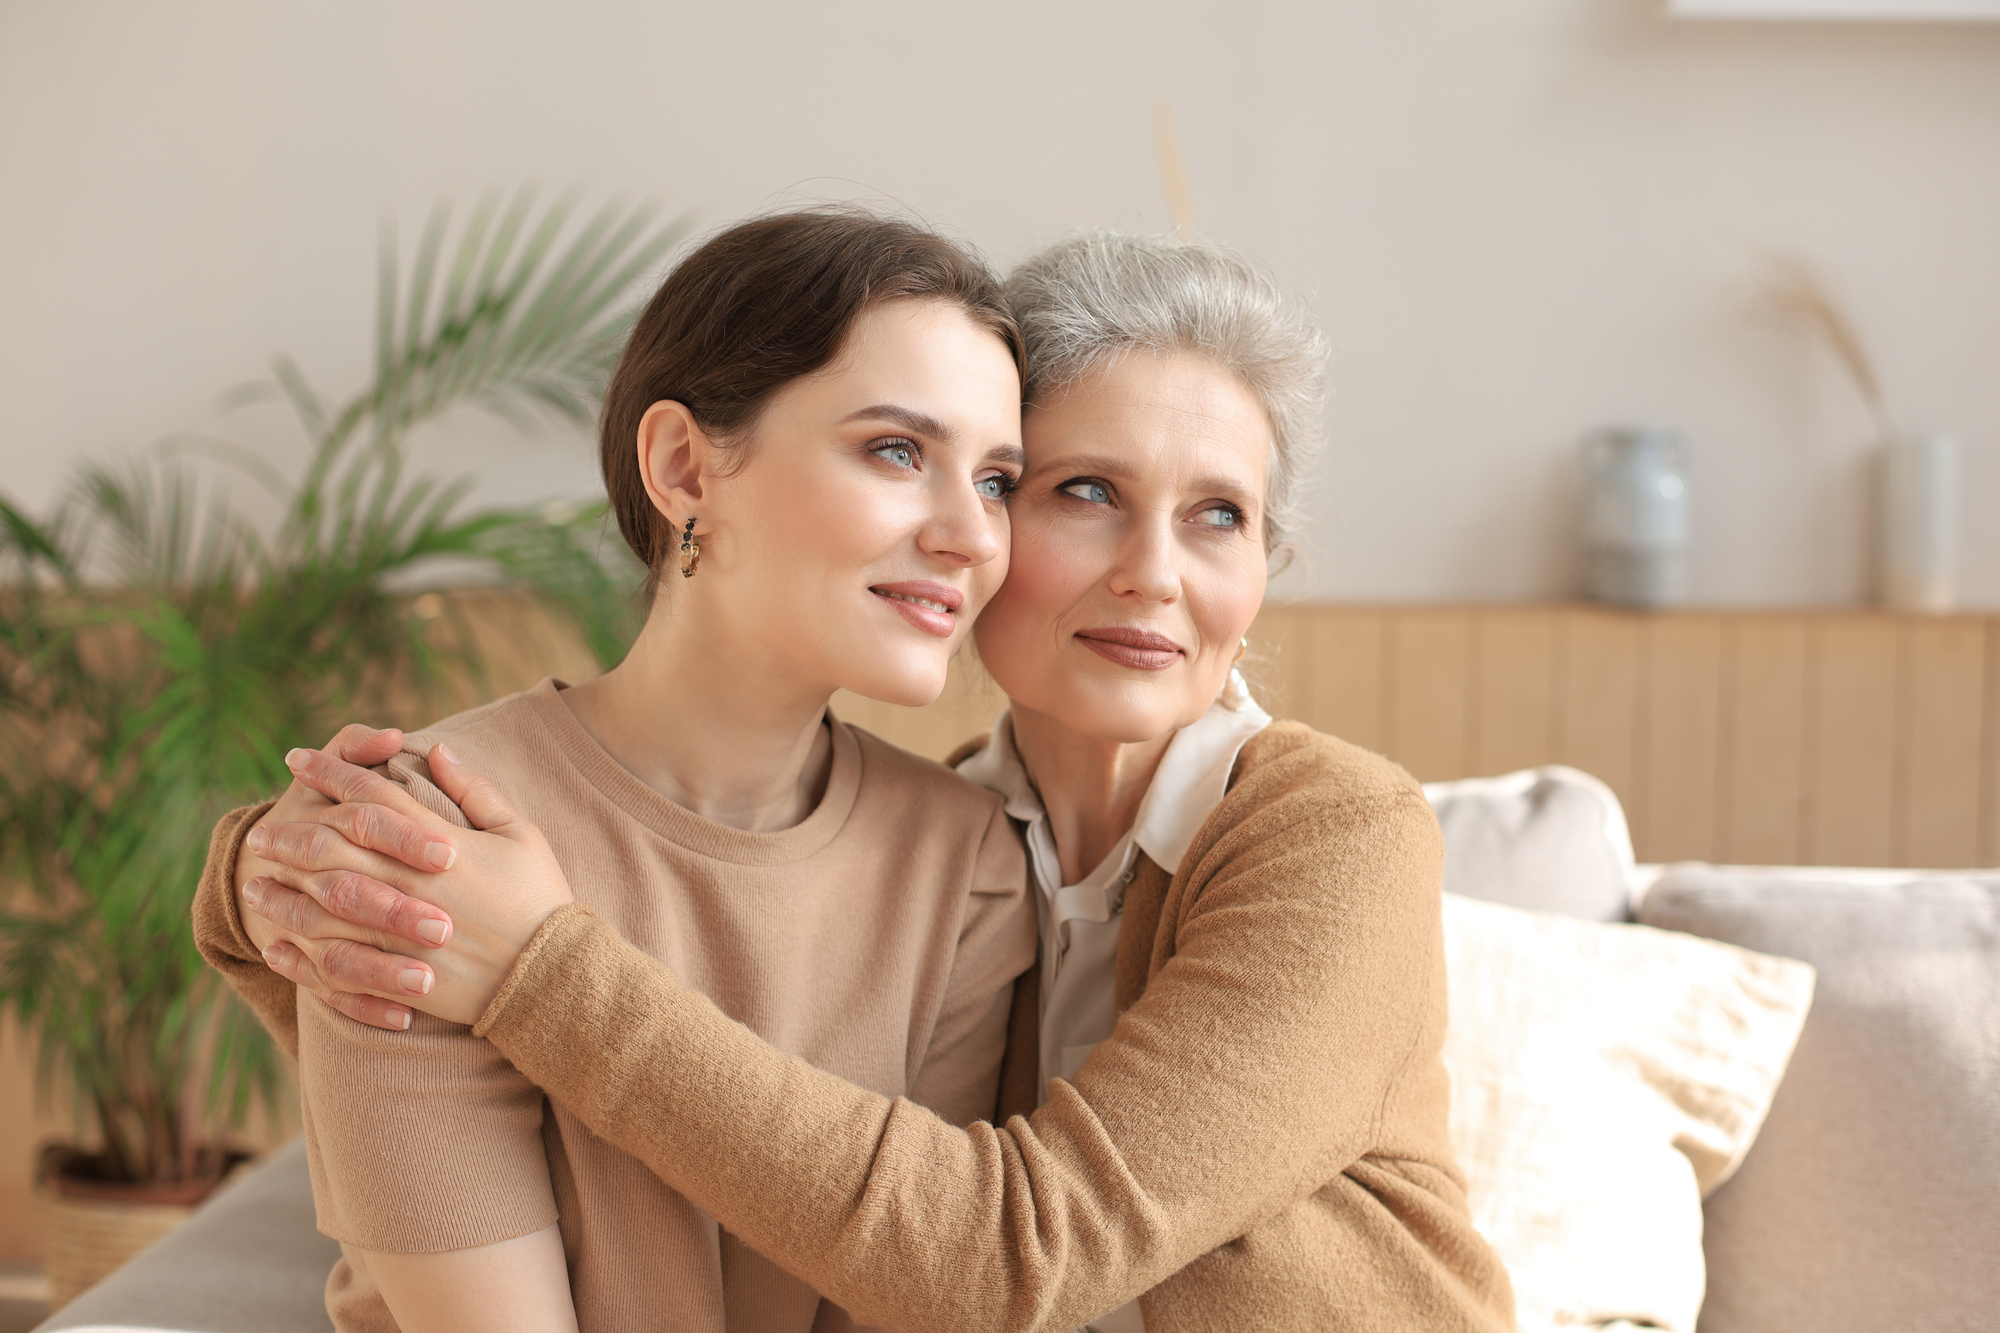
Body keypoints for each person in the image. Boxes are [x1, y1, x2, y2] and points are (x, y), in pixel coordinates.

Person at [203, 234, 1516, 1332]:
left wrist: (542, 967)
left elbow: (998, 1253)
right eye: (1077, 490)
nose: (1157, 573)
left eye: (1219, 515)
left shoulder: (1322, 833)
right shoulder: (972, 841)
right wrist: (268, 874)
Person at [193, 208, 1044, 1333]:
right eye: (897, 450)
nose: (973, 536)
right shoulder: (411, 832)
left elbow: (918, 1287)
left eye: (995, 480)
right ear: (685, 466)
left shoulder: (963, 861)